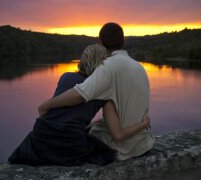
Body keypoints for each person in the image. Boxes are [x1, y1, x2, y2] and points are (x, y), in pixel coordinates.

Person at [9, 43, 150, 166]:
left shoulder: (65, 76)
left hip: (40, 136)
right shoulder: (102, 89)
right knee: (105, 152)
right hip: (68, 143)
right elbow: (117, 133)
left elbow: (65, 113)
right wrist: (143, 124)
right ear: (104, 63)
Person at [38, 22, 156, 161]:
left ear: (100, 42)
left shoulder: (107, 67)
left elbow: (80, 94)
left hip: (122, 148)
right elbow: (121, 112)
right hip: (143, 144)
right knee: (91, 127)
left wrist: (47, 105)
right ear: (123, 41)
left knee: (83, 136)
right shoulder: (139, 67)